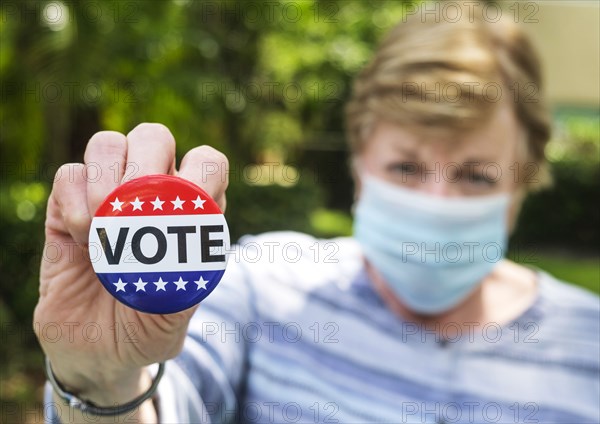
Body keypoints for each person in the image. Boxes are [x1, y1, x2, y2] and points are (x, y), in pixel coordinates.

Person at [36, 5, 599, 424]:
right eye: (405, 168)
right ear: (358, 165)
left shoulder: (589, 345)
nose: (437, 202)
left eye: (477, 176)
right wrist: (104, 381)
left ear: (526, 181)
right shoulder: (263, 282)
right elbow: (171, 403)